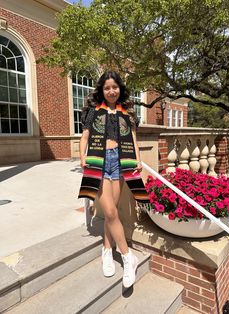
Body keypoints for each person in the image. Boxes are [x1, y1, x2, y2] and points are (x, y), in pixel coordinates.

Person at [78, 70, 149, 288]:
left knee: (113, 212)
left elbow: (134, 138)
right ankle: (129, 257)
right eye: (107, 87)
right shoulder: (93, 111)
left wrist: (137, 159)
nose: (111, 91)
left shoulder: (127, 113)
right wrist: (82, 158)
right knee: (109, 211)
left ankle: (107, 250)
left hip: (120, 162)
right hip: (98, 161)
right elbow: (86, 136)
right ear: (102, 89)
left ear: (120, 89)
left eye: (114, 87)